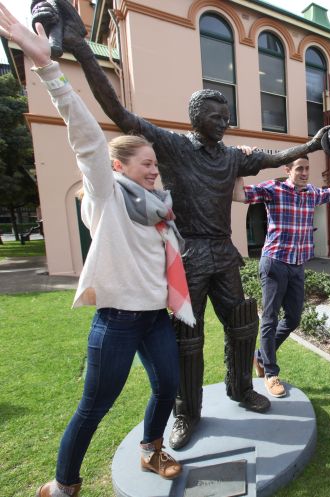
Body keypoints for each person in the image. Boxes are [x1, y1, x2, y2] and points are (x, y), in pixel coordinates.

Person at [29, 0, 330, 450]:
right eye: (217, 114)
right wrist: (79, 48)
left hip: (223, 251)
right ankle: (186, 412)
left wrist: (311, 143)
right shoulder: (174, 148)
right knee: (187, 338)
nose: (224, 119)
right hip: (190, 254)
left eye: (226, 114)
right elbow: (119, 112)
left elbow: (271, 157)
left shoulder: (231, 156)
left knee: (241, 323)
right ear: (197, 118)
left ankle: (240, 386)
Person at [0, 5, 189, 496]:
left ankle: (151, 448)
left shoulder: (158, 208)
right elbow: (86, 137)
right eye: (147, 163)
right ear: (121, 166)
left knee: (169, 385)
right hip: (119, 320)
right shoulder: (106, 195)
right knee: (95, 406)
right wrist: (48, 67)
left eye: (156, 164)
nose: (155, 170)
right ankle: (63, 485)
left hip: (154, 318)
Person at [247, 149, 330, 397]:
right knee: (269, 318)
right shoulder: (273, 189)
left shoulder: (312, 194)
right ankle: (270, 372)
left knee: (293, 319)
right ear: (287, 170)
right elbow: (241, 194)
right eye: (298, 168)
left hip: (297, 265)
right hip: (275, 262)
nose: (303, 173)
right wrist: (237, 165)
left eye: (306, 168)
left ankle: (259, 357)